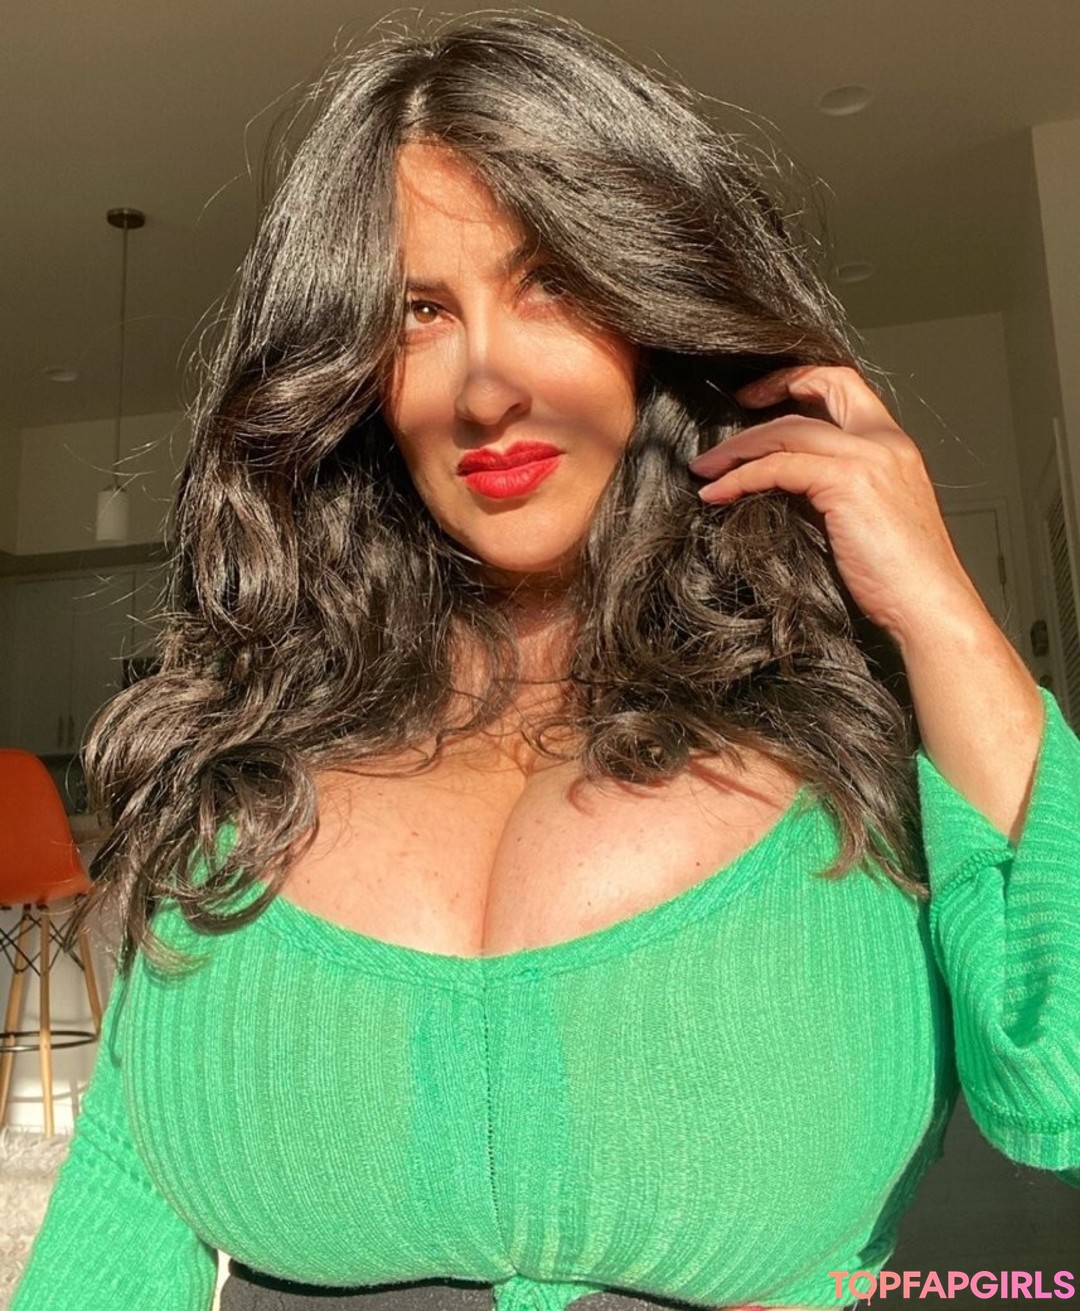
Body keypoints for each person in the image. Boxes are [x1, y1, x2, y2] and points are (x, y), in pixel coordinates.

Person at [12, 12, 1080, 1311]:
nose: (486, 388)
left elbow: (1063, 1086)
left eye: (553, 284)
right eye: (417, 312)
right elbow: (118, 1231)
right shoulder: (243, 780)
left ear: (652, 311)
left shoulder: (849, 743)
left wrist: (942, 610)